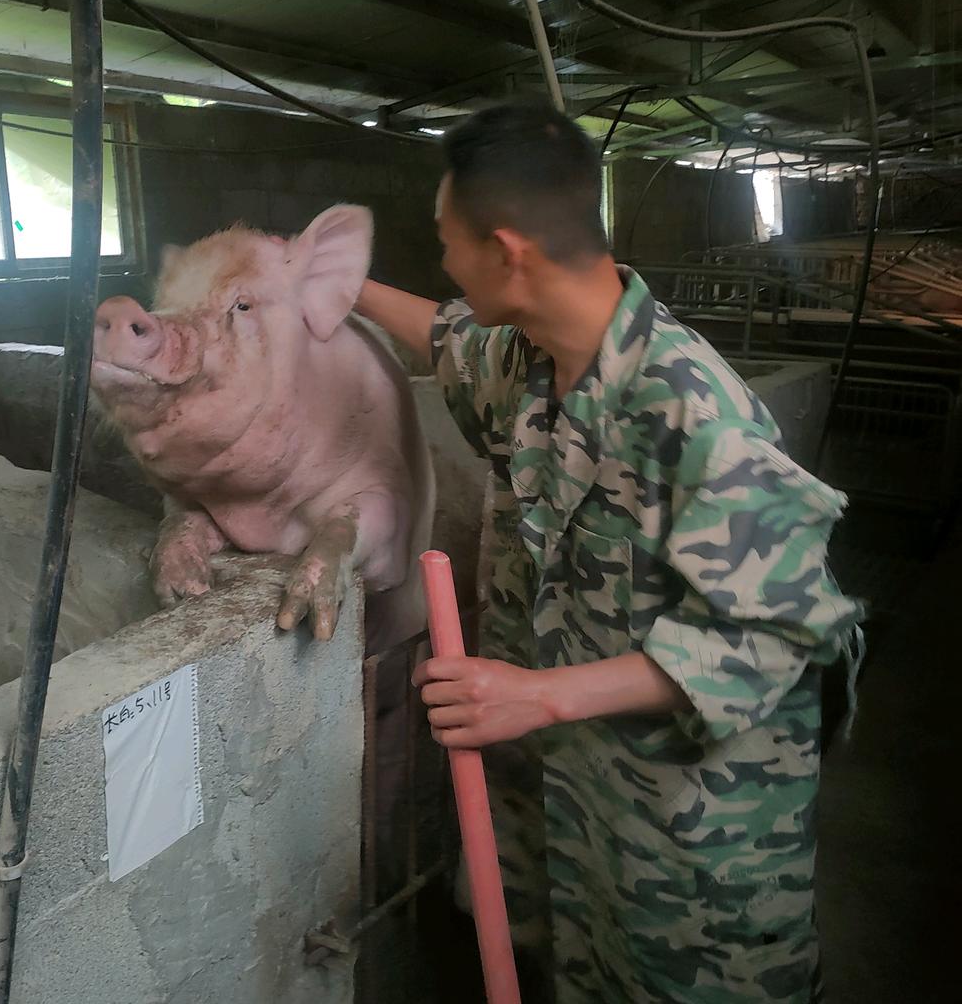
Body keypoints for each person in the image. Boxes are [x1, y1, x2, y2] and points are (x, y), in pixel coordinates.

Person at [355, 99, 862, 1004]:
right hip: (578, 805)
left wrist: (539, 696)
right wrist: (324, 281)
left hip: (691, 828)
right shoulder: (528, 360)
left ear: (507, 252)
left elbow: (777, 637)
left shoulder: (700, 414)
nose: (441, 258)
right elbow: (446, 336)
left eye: (446, 239)